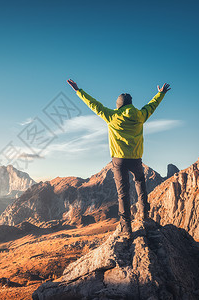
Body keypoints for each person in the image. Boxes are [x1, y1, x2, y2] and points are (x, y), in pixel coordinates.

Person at [67, 79, 171, 236]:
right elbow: (152, 106)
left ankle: (126, 228)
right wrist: (160, 93)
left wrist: (78, 90)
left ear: (119, 105)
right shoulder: (140, 116)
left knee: (123, 194)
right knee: (140, 184)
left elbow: (94, 105)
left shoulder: (111, 116)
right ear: (130, 104)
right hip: (136, 158)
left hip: (118, 160)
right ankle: (144, 215)